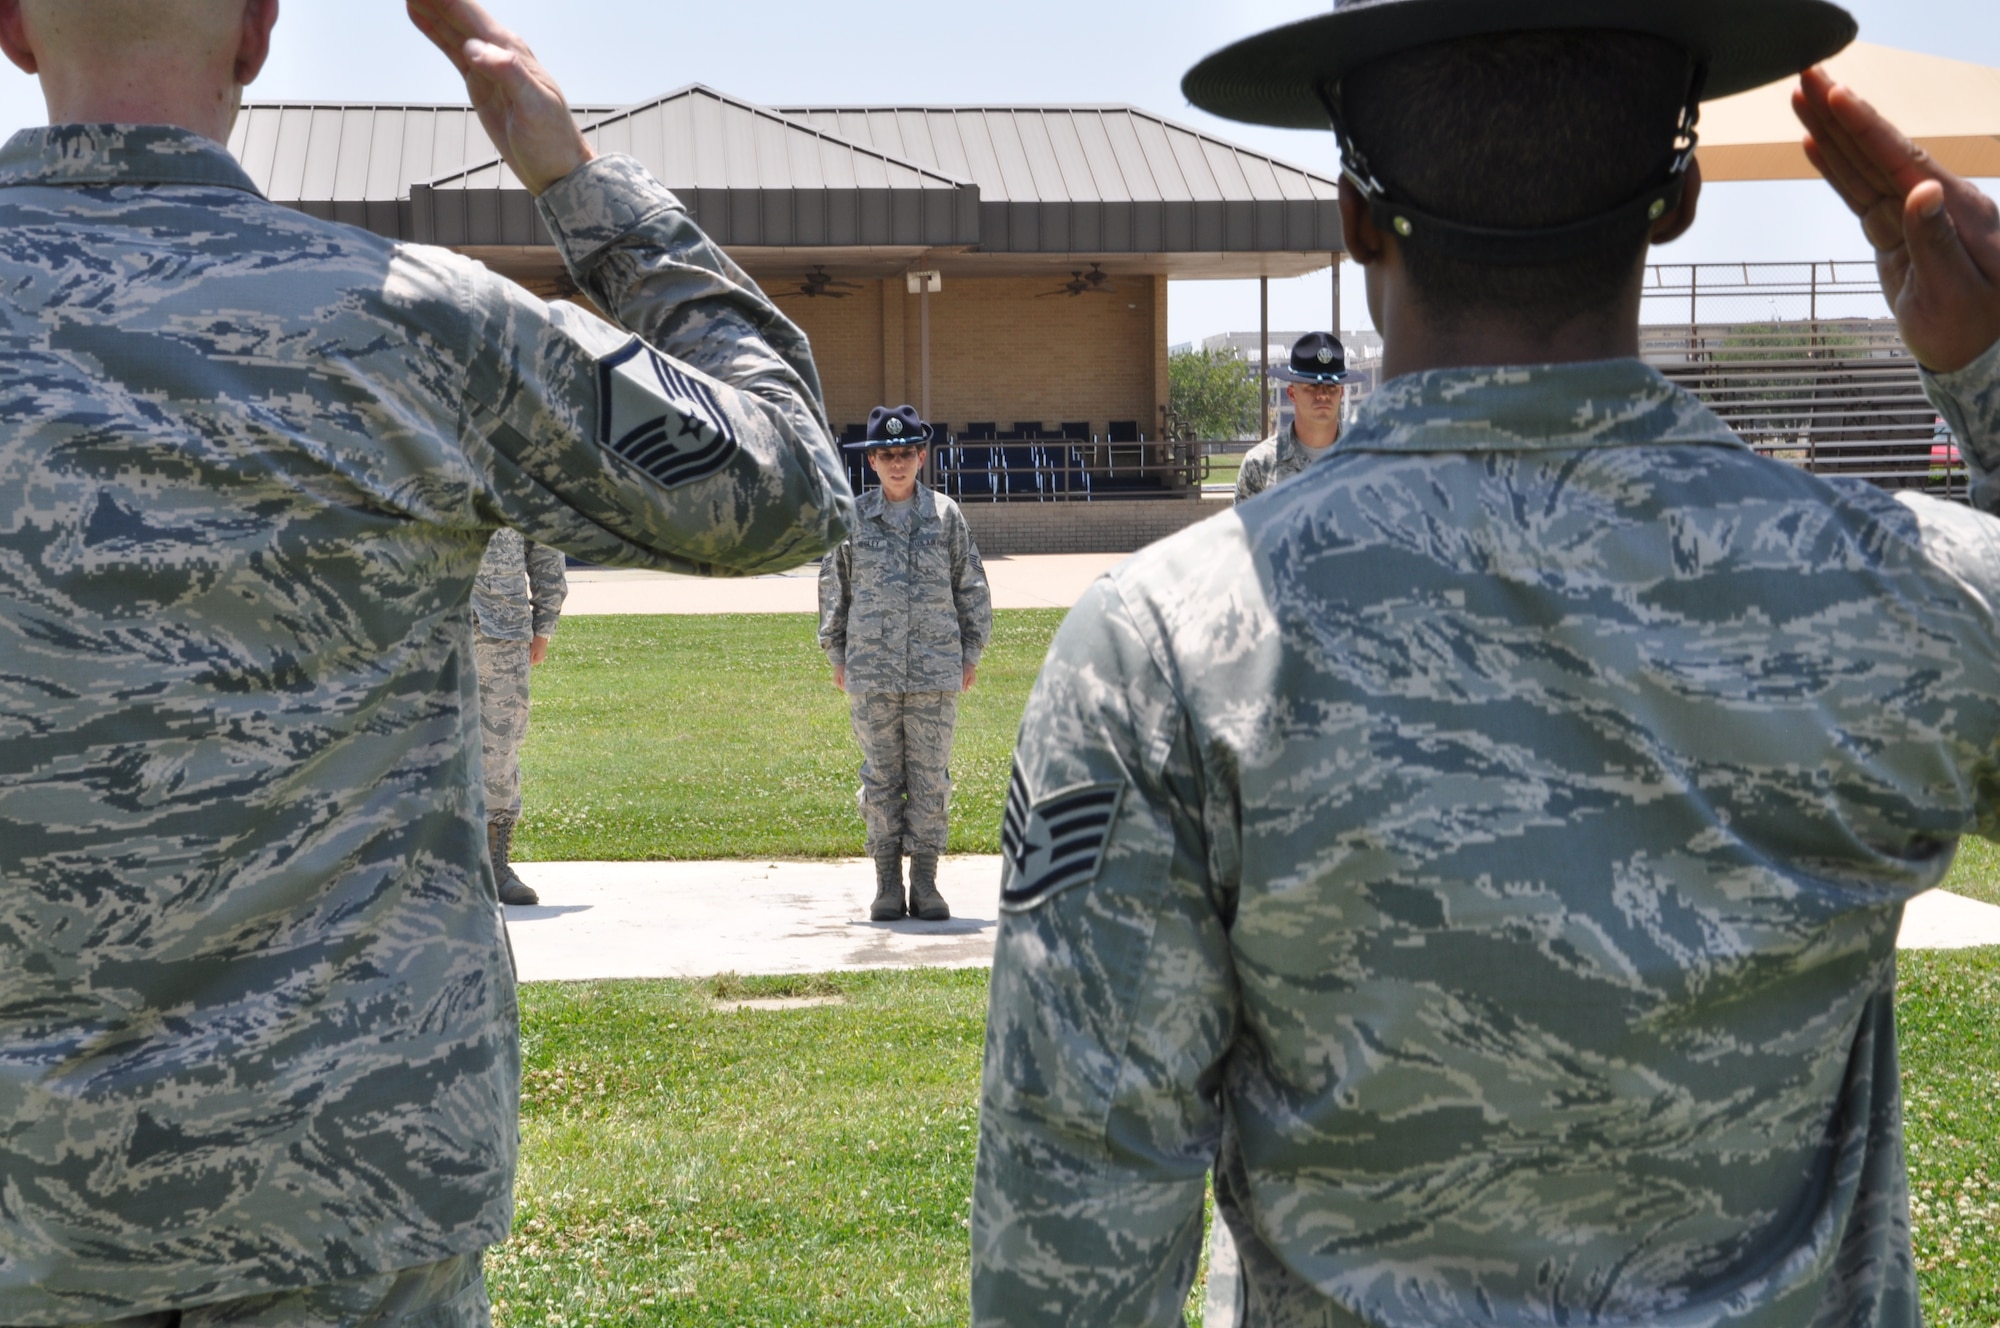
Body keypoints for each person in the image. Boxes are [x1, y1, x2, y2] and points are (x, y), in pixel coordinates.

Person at [970, 0, 2000, 1322]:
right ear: (1677, 197)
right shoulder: (1896, 596)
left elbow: (1072, 1248)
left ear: (1352, 214)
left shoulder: (1169, 645)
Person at [0, 0, 850, 1322]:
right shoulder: (417, 325)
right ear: (259, 31)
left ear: (12, 30)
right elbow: (784, 480)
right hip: (346, 1190)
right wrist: (576, 179)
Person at [818, 405, 993, 923]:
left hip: (936, 671)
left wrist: (970, 651)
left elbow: (972, 587)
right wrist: (837, 654)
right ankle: (887, 883)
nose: (897, 464)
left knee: (931, 779)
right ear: (871, 461)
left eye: (906, 454)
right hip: (871, 672)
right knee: (880, 779)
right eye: (886, 455)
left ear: (922, 456)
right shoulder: (852, 520)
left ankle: (926, 881)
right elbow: (834, 591)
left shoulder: (946, 516)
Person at [474, 528, 567, 907]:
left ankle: (495, 865)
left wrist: (545, 621)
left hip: (501, 627)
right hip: (424, 627)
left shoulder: (518, 467)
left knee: (499, 748)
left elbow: (545, 539)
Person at [1233, 332, 1362, 502]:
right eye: (1312, 387)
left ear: (1342, 393)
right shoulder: (1260, 464)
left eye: (1331, 387)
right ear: (1292, 393)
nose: (1323, 395)